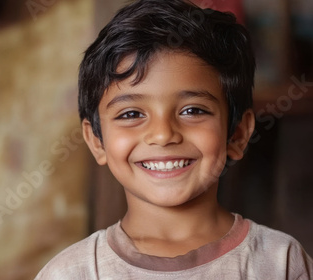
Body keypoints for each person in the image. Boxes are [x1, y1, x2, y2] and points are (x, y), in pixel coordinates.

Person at [36, 0, 313, 279]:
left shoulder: (280, 262)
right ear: (97, 140)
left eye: (192, 110)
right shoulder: (72, 272)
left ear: (238, 133)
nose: (163, 134)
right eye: (131, 113)